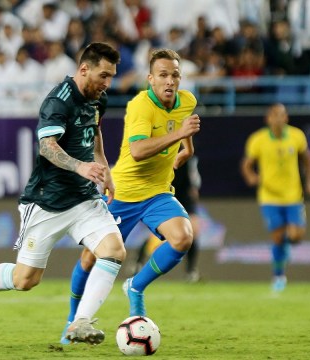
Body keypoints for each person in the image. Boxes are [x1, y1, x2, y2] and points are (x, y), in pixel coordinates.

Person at [0, 42, 124, 345]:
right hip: (47, 202)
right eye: (103, 75)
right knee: (26, 280)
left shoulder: (98, 99)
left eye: (111, 76)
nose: (107, 83)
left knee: (114, 251)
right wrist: (80, 167)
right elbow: (46, 147)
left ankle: (80, 322)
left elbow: (95, 136)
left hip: (84, 199)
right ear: (84, 69)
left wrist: (105, 172)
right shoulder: (58, 101)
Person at [60, 48, 201, 344]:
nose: (170, 81)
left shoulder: (187, 100)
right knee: (89, 258)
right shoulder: (140, 106)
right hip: (123, 193)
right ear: (150, 79)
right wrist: (179, 137)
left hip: (157, 193)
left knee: (183, 237)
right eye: (163, 75)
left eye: (175, 75)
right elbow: (137, 151)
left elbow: (183, 119)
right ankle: (72, 321)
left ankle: (135, 286)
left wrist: (188, 147)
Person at [241, 103, 310, 292]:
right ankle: (278, 276)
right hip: (269, 196)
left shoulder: (296, 136)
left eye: (281, 115)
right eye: (274, 115)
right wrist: (251, 176)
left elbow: (306, 158)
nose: (278, 118)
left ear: (286, 118)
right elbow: (247, 164)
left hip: (293, 196)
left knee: (296, 236)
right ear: (268, 119)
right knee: (277, 237)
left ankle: (285, 248)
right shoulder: (258, 140)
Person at [129, 156, 202, 283]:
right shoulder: (162, 148)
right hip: (166, 192)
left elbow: (193, 172)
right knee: (161, 234)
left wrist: (194, 187)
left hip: (185, 195)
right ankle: (139, 261)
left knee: (193, 230)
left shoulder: (188, 152)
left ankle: (191, 271)